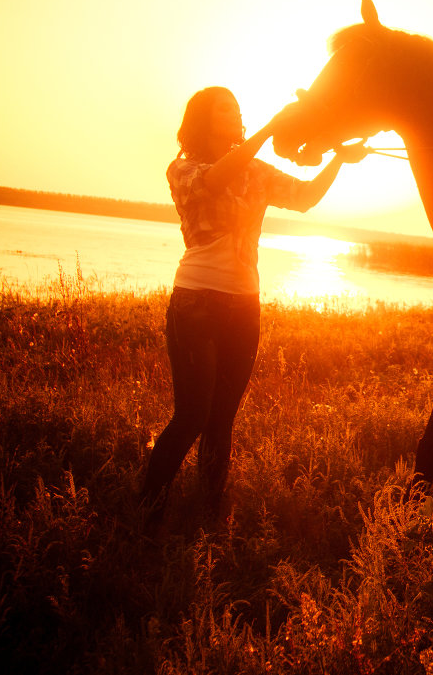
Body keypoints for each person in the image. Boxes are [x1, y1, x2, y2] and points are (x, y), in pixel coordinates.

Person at [140, 86, 366, 531]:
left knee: (222, 418)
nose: (235, 115)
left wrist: (339, 158)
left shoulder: (257, 170)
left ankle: (207, 515)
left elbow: (304, 198)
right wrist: (266, 131)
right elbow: (216, 180)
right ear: (201, 120)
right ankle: (148, 509)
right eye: (225, 109)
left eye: (238, 110)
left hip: (244, 305)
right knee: (193, 416)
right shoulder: (184, 168)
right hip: (196, 299)